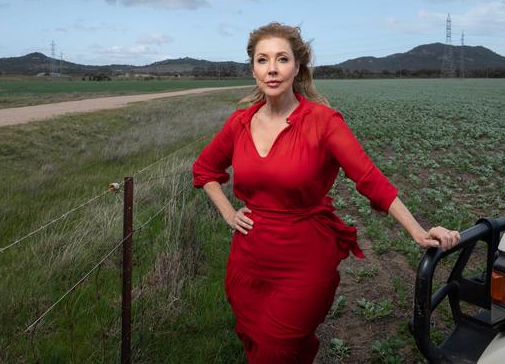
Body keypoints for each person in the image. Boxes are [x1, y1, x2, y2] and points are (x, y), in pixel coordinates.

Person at [192, 22, 460, 363]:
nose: (272, 68)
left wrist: (418, 232)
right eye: (262, 60)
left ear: (298, 66)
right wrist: (229, 213)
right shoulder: (239, 123)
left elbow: (369, 178)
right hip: (247, 265)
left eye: (282, 59)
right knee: (258, 344)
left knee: (275, 352)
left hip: (302, 266)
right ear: (253, 68)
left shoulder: (323, 122)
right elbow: (204, 170)